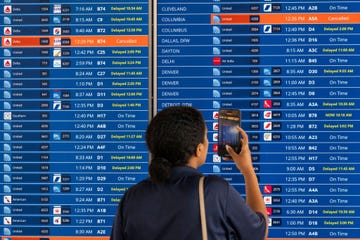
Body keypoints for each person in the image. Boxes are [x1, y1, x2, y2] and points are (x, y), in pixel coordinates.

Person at [110, 106, 268, 240]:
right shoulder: (214, 191)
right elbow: (258, 232)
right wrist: (247, 169)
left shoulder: (132, 197)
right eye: (206, 136)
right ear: (198, 149)